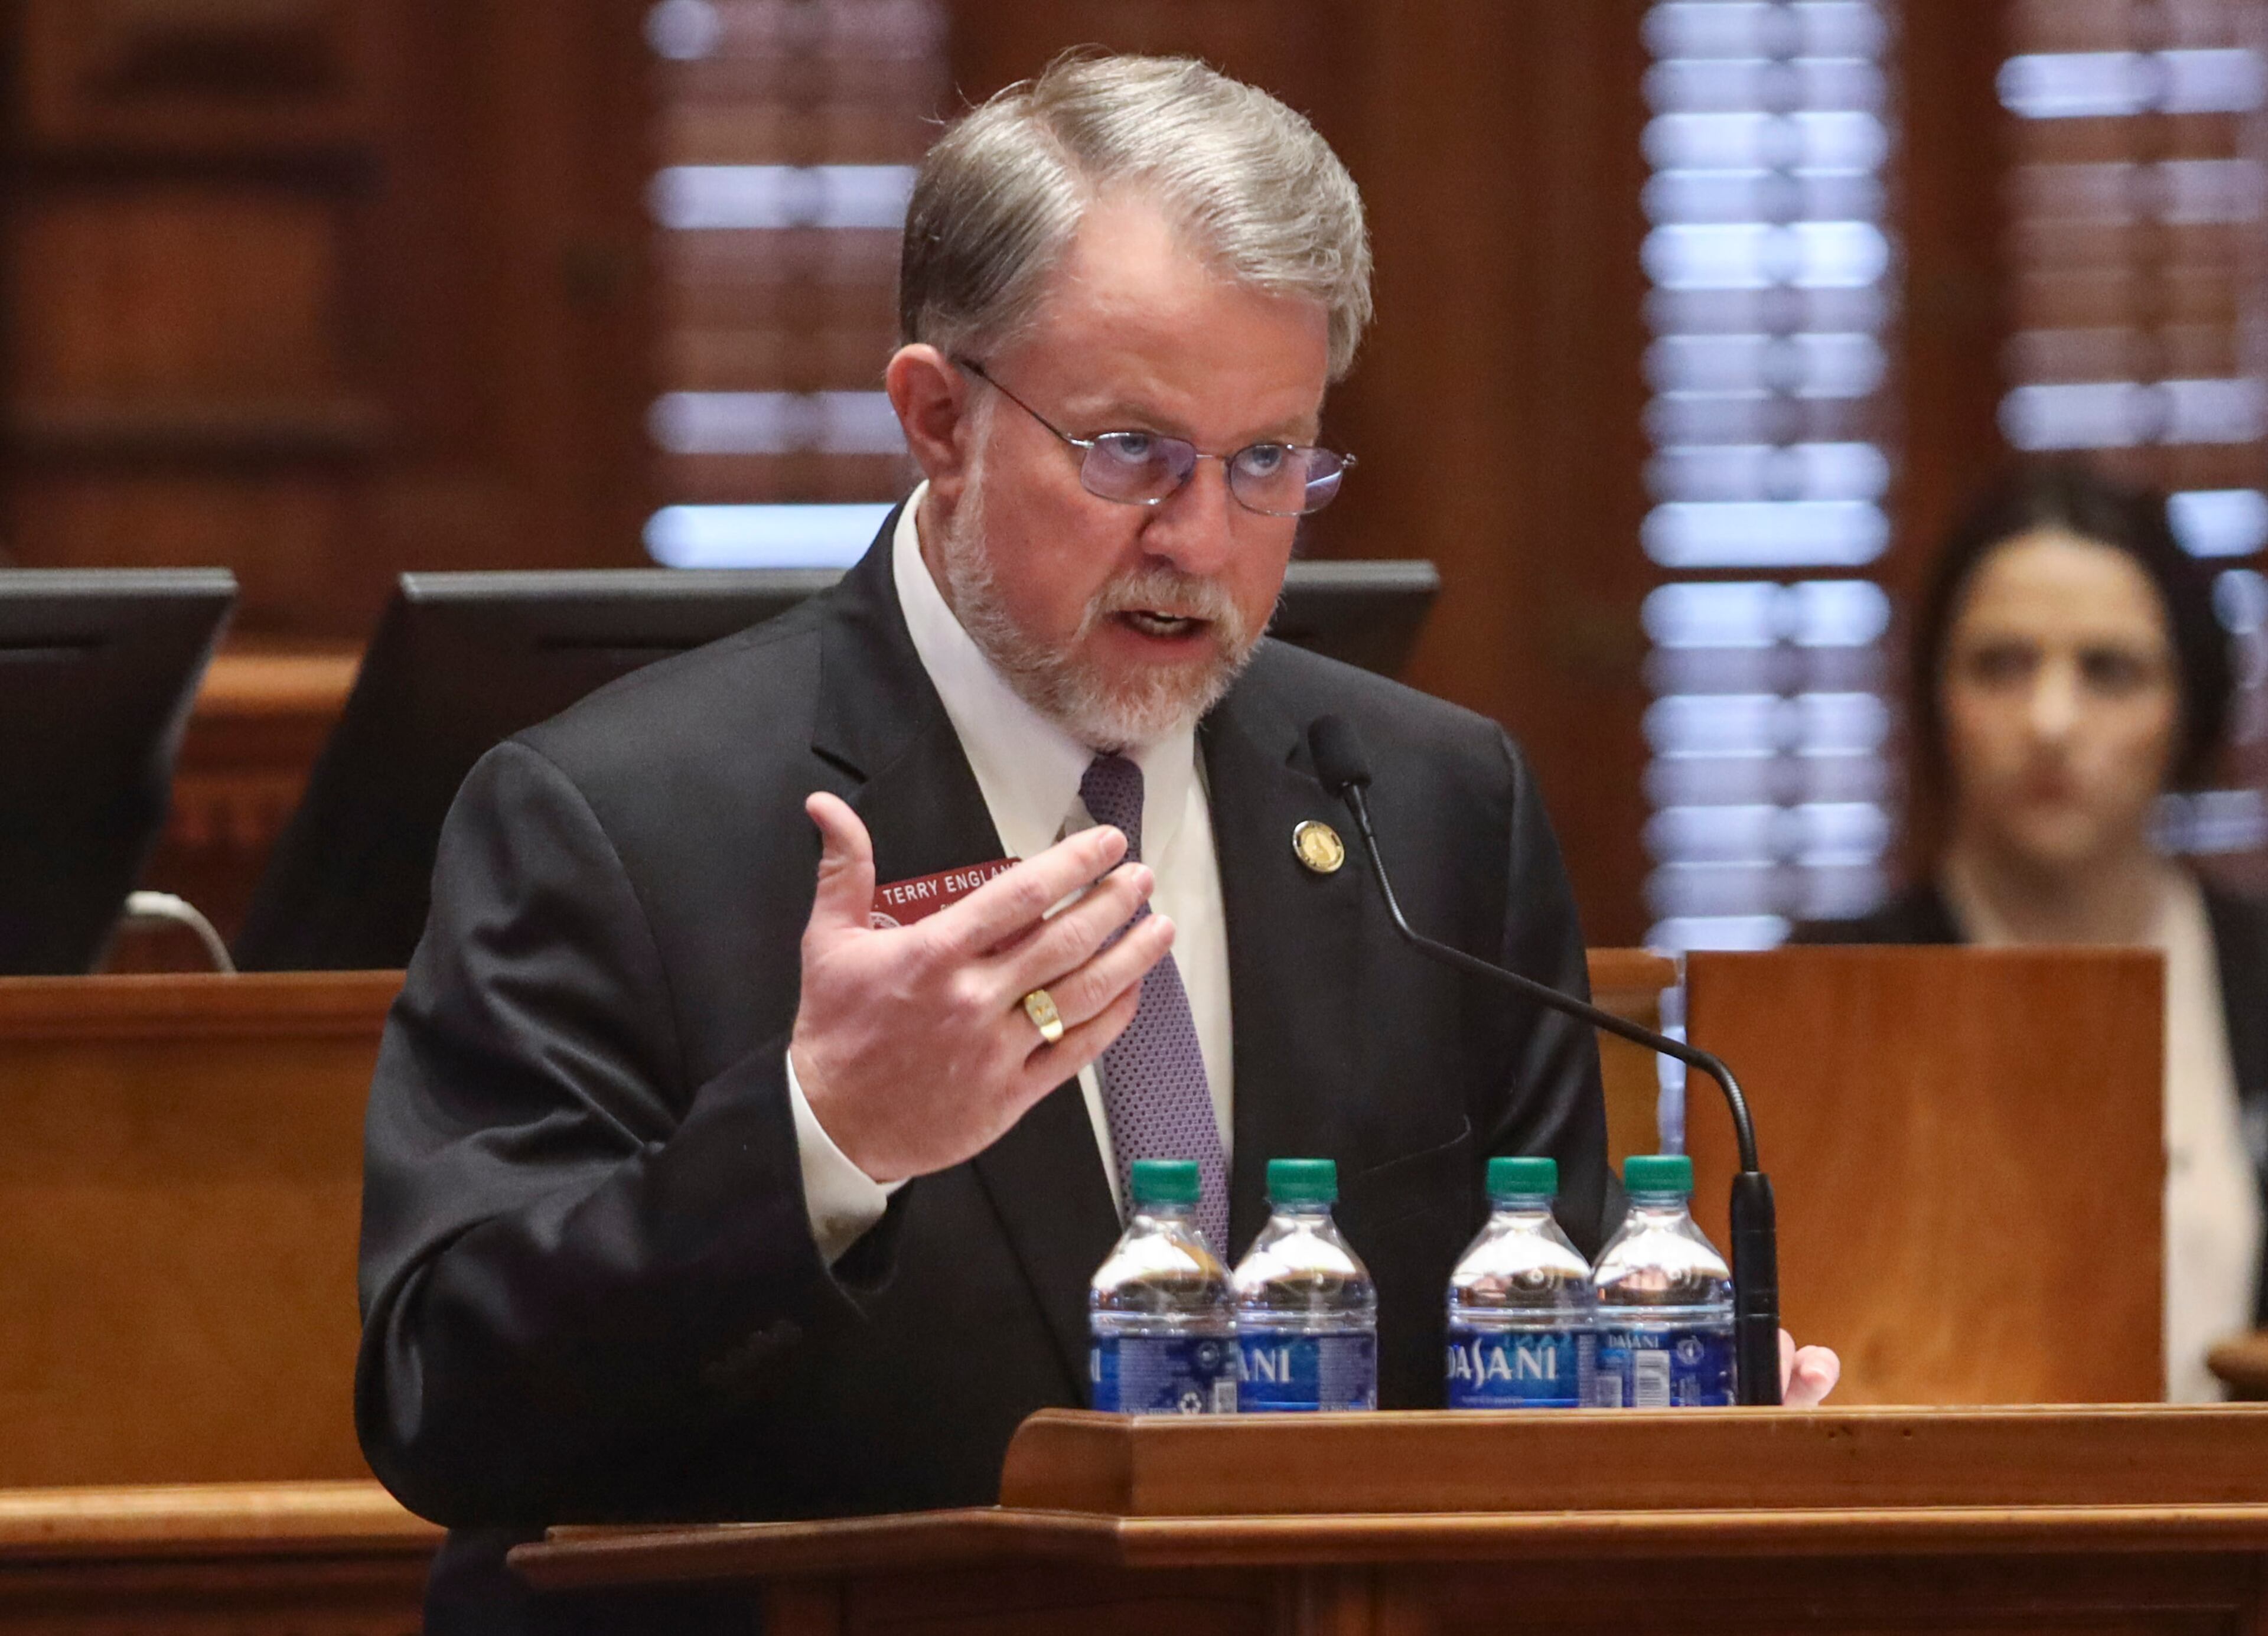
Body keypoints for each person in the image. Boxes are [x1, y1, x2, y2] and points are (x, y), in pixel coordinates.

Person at [357, 54, 1839, 1633]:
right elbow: (450, 1401)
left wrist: (1671, 1433)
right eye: (1132, 450)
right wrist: (821, 1140)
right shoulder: (621, 820)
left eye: (1268, 461)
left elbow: (1517, 1375)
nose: (1200, 539)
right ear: (938, 418)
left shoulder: (1428, 809)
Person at [1797, 459, 2267, 1401]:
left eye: (2110, 670)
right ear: (1936, 696)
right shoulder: (1830, 985)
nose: (2051, 720)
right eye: (2001, 664)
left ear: (2191, 702)